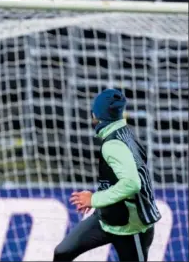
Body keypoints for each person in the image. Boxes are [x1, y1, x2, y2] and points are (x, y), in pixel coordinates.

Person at [53, 89, 161, 261]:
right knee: (62, 252)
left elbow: (132, 183)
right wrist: (97, 197)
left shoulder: (113, 145)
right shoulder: (124, 132)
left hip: (132, 229)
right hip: (106, 219)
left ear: (97, 114)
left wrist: (94, 200)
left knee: (62, 254)